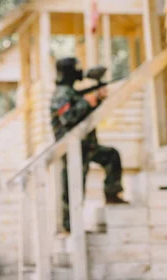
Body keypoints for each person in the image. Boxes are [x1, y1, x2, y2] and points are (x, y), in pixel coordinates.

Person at [50, 57, 128, 233]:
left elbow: (84, 115)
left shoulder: (71, 92)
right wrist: (88, 100)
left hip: (87, 146)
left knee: (111, 156)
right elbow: (68, 117)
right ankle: (71, 227)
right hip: (72, 149)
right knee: (73, 188)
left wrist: (97, 99)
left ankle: (112, 193)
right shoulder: (62, 94)